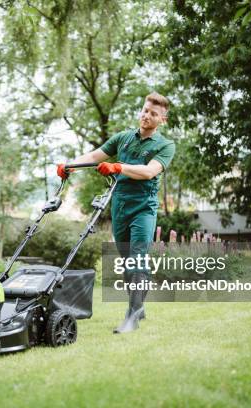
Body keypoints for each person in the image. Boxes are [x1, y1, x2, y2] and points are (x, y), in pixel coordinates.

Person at [57, 92, 175, 334]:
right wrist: (69, 166)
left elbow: (149, 172)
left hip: (144, 207)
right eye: (145, 110)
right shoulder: (123, 138)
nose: (146, 115)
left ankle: (132, 314)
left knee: (136, 259)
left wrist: (119, 166)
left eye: (153, 113)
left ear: (162, 119)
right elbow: (93, 156)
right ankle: (139, 304)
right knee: (126, 263)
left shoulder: (165, 145)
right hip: (119, 205)